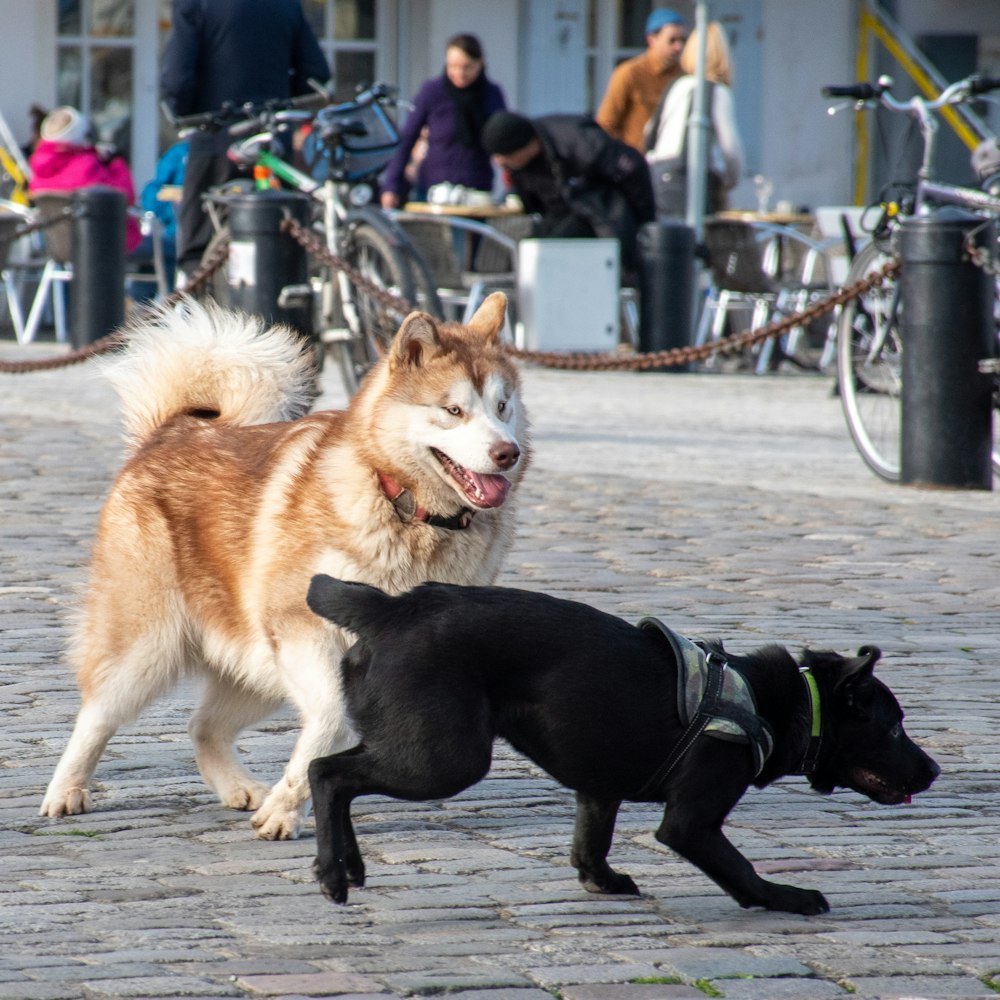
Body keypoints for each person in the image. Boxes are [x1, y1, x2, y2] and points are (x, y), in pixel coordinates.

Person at [160, 0, 330, 281]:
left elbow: (177, 80)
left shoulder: (196, 4)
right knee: (285, 239)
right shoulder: (285, 5)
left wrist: (187, 114)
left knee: (197, 248)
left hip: (217, 136)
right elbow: (316, 72)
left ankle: (193, 309)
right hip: (273, 138)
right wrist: (281, 103)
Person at [480, 110, 655, 279]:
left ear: (524, 146)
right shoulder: (520, 166)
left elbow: (631, 168)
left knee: (545, 253)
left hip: (599, 213)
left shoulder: (577, 141)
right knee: (524, 252)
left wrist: (642, 220)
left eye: (505, 157)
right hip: (559, 215)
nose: (500, 162)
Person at [380, 33, 506, 210]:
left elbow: (503, 141)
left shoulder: (492, 95)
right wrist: (391, 185)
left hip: (477, 188)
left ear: (480, 63)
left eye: (467, 67)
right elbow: (407, 139)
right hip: (433, 189)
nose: (460, 73)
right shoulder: (432, 92)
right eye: (453, 66)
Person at [646, 22, 744, 217]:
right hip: (692, 185)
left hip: (657, 180)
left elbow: (649, 132)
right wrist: (731, 179)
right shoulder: (717, 92)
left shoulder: (676, 86)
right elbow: (730, 148)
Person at [28, 106, 141, 253]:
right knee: (167, 247)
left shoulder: (37, 169)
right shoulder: (86, 165)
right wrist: (117, 164)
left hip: (57, 248)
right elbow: (125, 196)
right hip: (102, 246)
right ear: (79, 135)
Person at [596, 8, 687, 154]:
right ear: (652, 39)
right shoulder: (629, 73)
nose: (678, 47)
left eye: (682, 40)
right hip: (636, 164)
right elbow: (606, 124)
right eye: (672, 40)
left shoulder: (684, 77)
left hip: (672, 165)